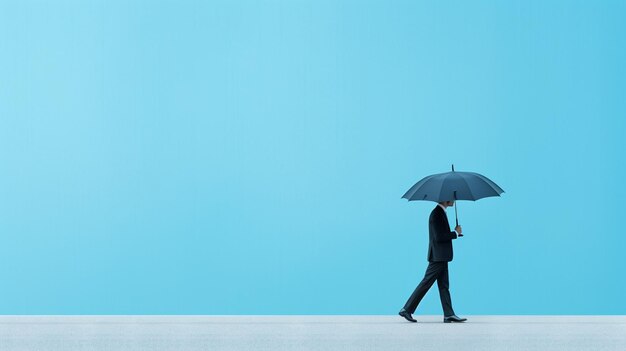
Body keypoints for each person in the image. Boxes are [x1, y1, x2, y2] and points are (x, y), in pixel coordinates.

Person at [398, 200, 467, 323]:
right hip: (438, 257)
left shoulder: (441, 212)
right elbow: (439, 237)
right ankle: (406, 309)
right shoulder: (436, 214)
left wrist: (454, 232)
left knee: (444, 286)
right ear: (446, 199)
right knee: (426, 283)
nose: (454, 200)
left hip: (442, 256)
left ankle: (448, 314)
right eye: (452, 198)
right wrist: (456, 233)